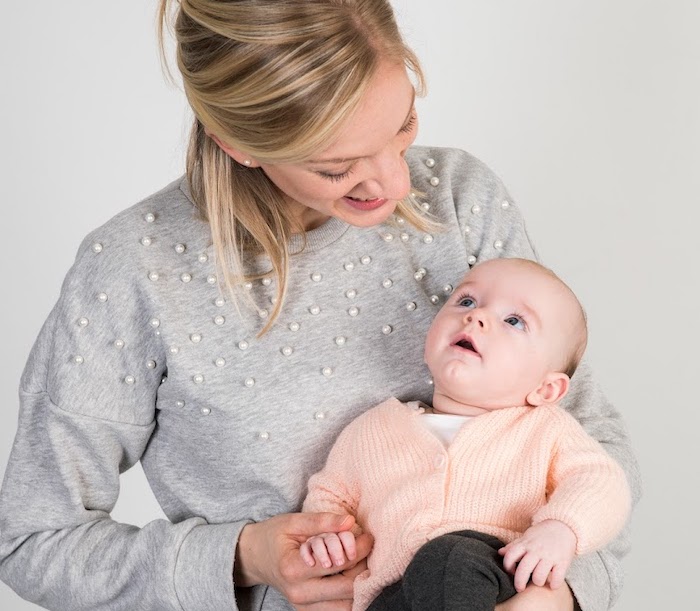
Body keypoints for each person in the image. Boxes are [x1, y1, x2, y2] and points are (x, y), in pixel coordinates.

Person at [0, 1, 639, 610]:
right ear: (236, 141)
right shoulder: (133, 270)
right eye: (338, 168)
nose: (397, 184)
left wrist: (558, 594)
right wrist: (242, 555)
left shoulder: (459, 197)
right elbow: (33, 542)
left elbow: (591, 453)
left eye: (404, 124)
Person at [300, 257, 631, 611]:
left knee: (448, 556)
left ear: (546, 390)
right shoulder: (372, 429)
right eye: (467, 301)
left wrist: (561, 529)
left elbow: (600, 480)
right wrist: (327, 537)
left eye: (514, 321)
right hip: (392, 595)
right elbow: (331, 495)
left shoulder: (545, 428)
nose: (476, 316)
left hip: (498, 575)